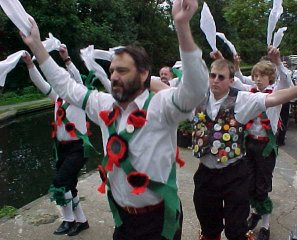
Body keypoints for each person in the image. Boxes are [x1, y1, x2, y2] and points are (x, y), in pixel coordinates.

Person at [20, 0, 209, 239]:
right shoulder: (104, 105)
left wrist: (182, 25)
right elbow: (66, 87)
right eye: (111, 71)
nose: (114, 76)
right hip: (122, 219)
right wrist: (37, 45)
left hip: (159, 221)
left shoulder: (162, 107)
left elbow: (196, 90)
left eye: (122, 71)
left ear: (143, 74)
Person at [192, 57, 297, 240]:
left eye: (221, 77)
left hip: (234, 175)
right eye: (212, 75)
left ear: (231, 80)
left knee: (236, 230)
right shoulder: (197, 97)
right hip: (205, 174)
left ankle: (261, 222)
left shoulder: (243, 99)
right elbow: (168, 93)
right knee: (209, 228)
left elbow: (275, 97)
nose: (215, 80)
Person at [21, 47, 90, 236]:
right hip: (63, 148)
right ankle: (81, 221)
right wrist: (30, 65)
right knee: (70, 185)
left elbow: (77, 77)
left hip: (78, 147)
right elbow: (40, 83)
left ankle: (68, 220)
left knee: (60, 182)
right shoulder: (57, 98)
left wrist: (66, 59)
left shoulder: (80, 96)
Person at [244, 47, 293, 240]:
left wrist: (278, 61)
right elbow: (238, 79)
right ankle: (254, 213)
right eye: (255, 75)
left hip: (266, 147)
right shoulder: (251, 93)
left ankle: (265, 226)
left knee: (262, 186)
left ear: (270, 77)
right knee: (249, 183)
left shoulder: (277, 92)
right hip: (250, 143)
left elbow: (287, 82)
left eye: (262, 76)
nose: (257, 79)